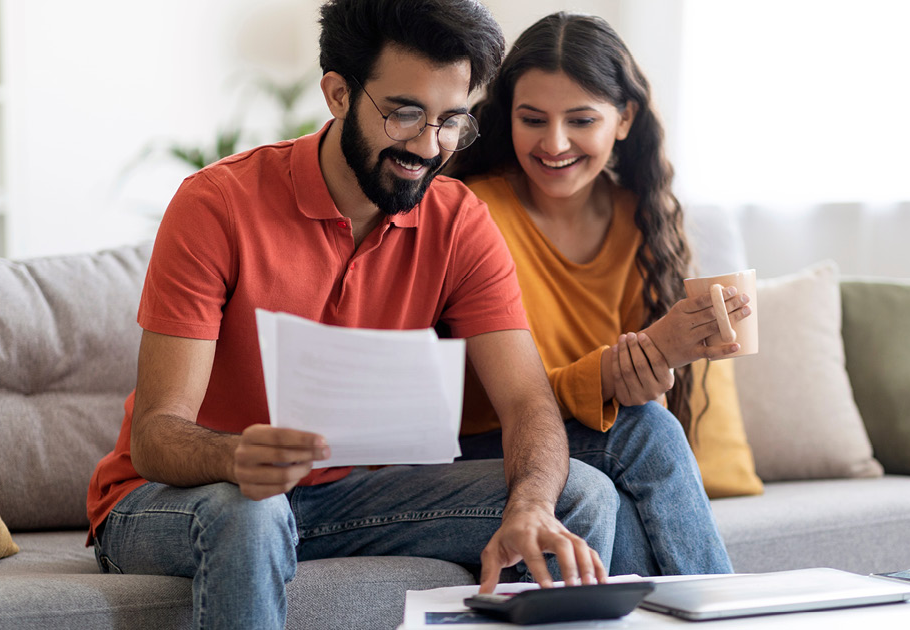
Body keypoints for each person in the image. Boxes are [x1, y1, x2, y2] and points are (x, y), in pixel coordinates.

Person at [85, 2, 619, 628]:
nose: (429, 145)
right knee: (253, 509)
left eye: (451, 121)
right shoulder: (218, 204)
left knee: (580, 493)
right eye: (406, 113)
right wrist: (237, 457)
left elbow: (528, 403)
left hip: (345, 499)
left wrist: (529, 504)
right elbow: (155, 436)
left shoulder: (460, 221)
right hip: (181, 498)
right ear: (338, 94)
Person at [447, 12, 748, 577]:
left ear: (625, 118)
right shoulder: (473, 211)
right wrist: (611, 378)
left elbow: (630, 410)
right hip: (490, 445)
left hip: (596, 448)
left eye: (581, 120)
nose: (554, 143)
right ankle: (725, 610)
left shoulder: (643, 220)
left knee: (629, 481)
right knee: (648, 432)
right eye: (532, 119)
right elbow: (496, 402)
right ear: (504, 116)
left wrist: (648, 375)